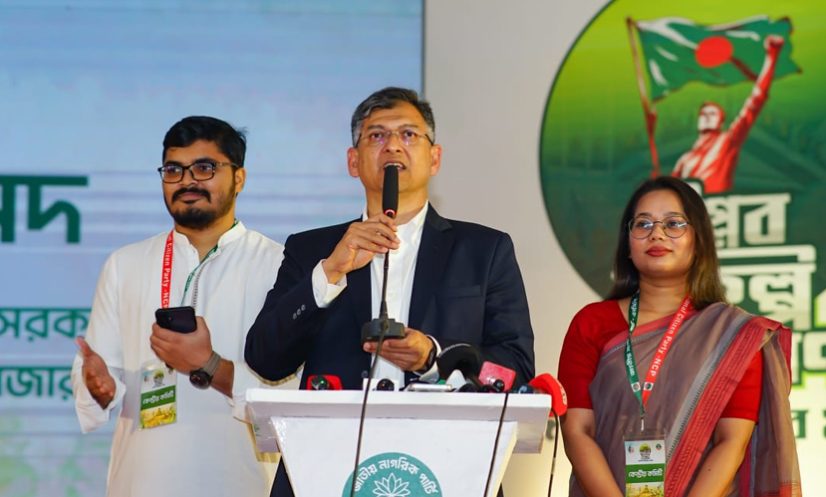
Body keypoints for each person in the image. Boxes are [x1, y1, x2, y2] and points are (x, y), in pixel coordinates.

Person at [245, 87, 535, 496]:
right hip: (326, 466)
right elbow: (265, 358)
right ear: (353, 161)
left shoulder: (484, 250)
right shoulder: (313, 250)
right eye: (377, 135)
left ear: (435, 158)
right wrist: (329, 272)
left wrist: (434, 356)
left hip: (451, 466)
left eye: (409, 134)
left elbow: (516, 369)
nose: (393, 145)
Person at [70, 116, 284, 497]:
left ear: (239, 178)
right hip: (142, 483)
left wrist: (209, 365)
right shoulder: (125, 264)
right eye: (173, 170)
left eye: (204, 168)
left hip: (242, 481)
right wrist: (99, 387)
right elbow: (100, 380)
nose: (187, 181)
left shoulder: (280, 266)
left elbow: (288, 396)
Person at [558, 176, 801, 497]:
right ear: (627, 244)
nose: (657, 233)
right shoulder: (591, 323)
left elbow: (732, 441)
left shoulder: (732, 336)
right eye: (643, 224)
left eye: (673, 223)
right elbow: (577, 431)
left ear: (699, 241)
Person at [670, 35, 785, 194]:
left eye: (712, 113)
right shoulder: (685, 160)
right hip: (692, 208)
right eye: (703, 113)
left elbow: (756, 100)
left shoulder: (727, 141)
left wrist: (772, 56)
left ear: (721, 122)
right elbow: (669, 194)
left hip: (719, 206)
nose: (707, 116)